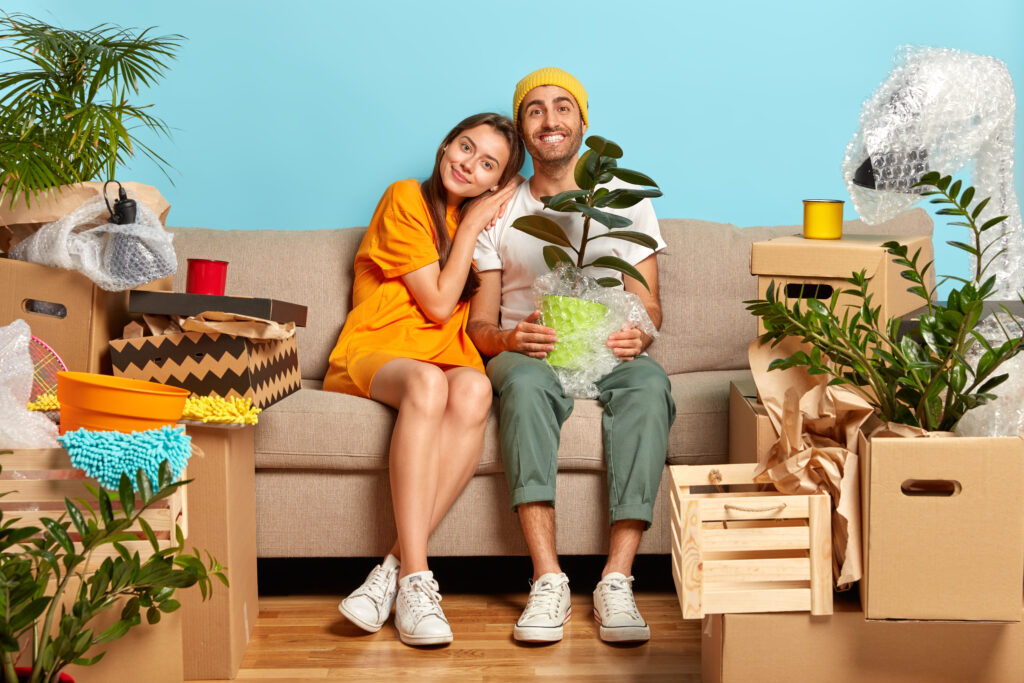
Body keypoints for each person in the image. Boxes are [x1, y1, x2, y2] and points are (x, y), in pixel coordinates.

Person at [467, 68, 676, 644]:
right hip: (530, 353)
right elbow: (481, 325)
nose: (550, 120)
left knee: (650, 385)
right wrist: (511, 341)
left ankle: (616, 580)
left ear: (584, 123)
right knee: (528, 385)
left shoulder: (624, 204)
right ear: (522, 129)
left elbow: (649, 304)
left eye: (563, 107)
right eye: (534, 110)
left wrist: (640, 333)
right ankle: (547, 579)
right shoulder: (499, 210)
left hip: (608, 352)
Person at [325, 113, 525, 646]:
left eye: (488, 164)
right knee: (429, 385)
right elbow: (438, 304)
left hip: (444, 354)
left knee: (477, 387)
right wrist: (476, 219)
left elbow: (475, 322)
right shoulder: (406, 198)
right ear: (445, 147)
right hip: (378, 348)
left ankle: (388, 574)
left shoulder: (485, 233)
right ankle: (418, 577)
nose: (469, 164)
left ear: (497, 182)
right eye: (465, 147)